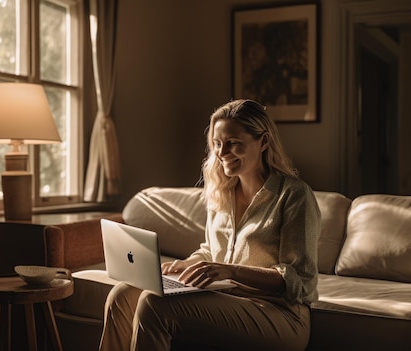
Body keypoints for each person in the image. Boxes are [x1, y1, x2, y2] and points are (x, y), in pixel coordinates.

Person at [98, 99, 321, 351]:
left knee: (153, 303)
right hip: (225, 300)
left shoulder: (293, 195)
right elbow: (211, 251)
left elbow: (299, 281)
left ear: (264, 142)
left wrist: (230, 270)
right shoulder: (221, 192)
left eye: (233, 144)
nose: (222, 153)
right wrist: (184, 266)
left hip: (279, 314)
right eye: (217, 144)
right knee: (122, 294)